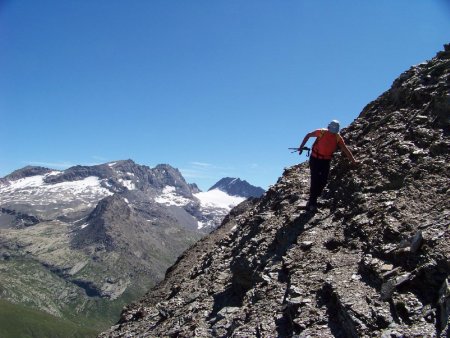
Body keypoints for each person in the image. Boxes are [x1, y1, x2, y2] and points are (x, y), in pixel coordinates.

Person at [298, 120, 357, 211]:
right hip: (315, 159)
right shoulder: (321, 132)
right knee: (315, 180)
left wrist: (353, 160)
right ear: (328, 127)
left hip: (326, 161)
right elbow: (308, 135)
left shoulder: (337, 137)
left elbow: (345, 149)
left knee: (324, 181)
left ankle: (313, 198)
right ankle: (312, 202)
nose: (332, 132)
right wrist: (301, 146)